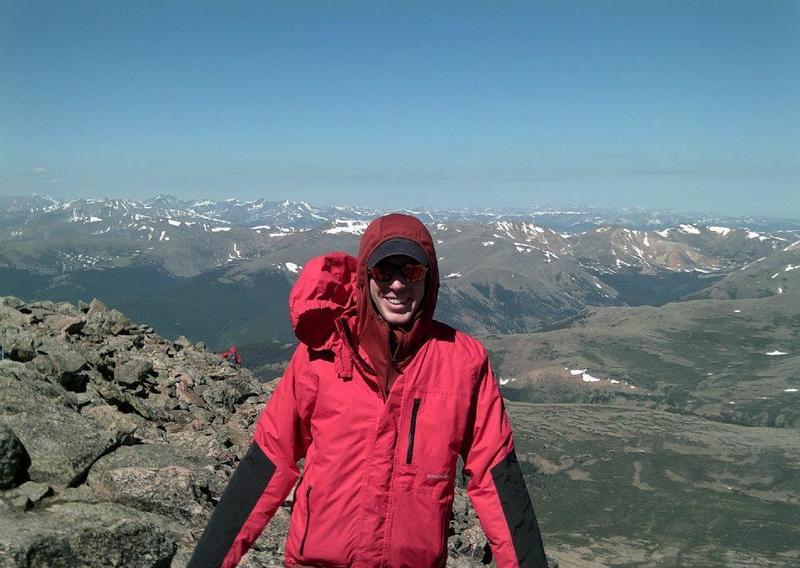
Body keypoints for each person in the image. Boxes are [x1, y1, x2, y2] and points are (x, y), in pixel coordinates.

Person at [188, 213, 547, 568]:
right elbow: (266, 464)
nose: (396, 284)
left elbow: (498, 480)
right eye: (383, 270)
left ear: (429, 278)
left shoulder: (464, 364)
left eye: (411, 270)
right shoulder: (321, 357)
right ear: (365, 277)